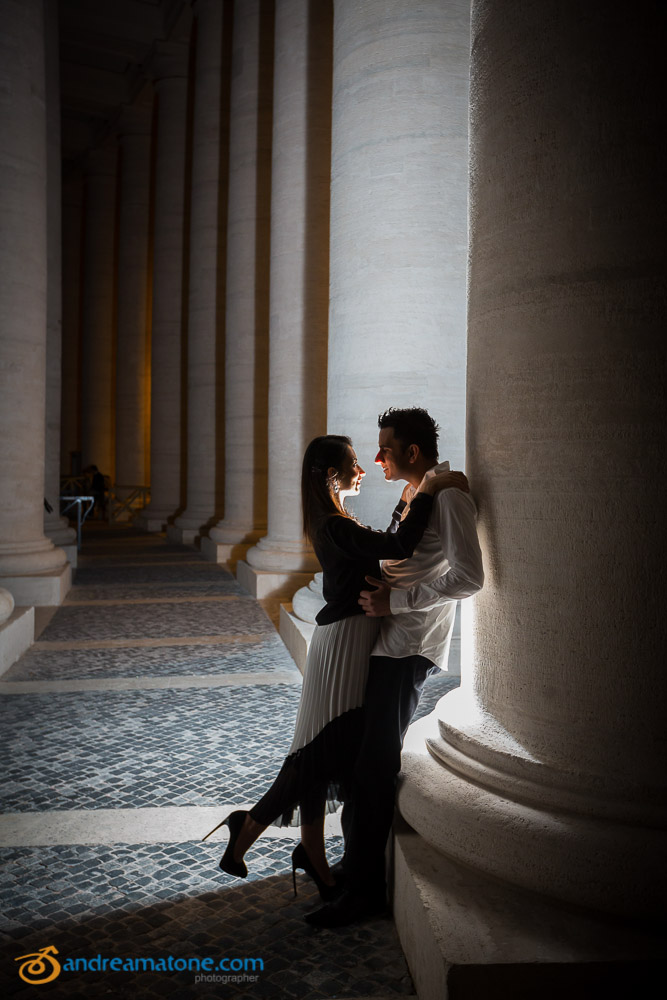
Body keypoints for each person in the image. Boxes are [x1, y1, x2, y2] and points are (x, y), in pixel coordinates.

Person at [202, 434, 468, 901]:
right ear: (331, 475)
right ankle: (251, 826)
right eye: (352, 463)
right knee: (320, 748)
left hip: (347, 639)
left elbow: (393, 552)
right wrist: (428, 487)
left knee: (319, 747)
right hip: (343, 643)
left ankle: (311, 853)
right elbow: (402, 544)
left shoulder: (335, 521)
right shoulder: (334, 525)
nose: (364, 468)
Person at [306, 407, 484, 928]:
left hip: (408, 646)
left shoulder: (448, 496)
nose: (377, 457)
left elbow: (470, 577)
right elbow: (401, 557)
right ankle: (352, 869)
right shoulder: (420, 491)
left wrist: (396, 605)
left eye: (385, 448)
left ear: (410, 451)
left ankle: (364, 893)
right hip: (386, 640)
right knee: (363, 762)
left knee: (373, 765)